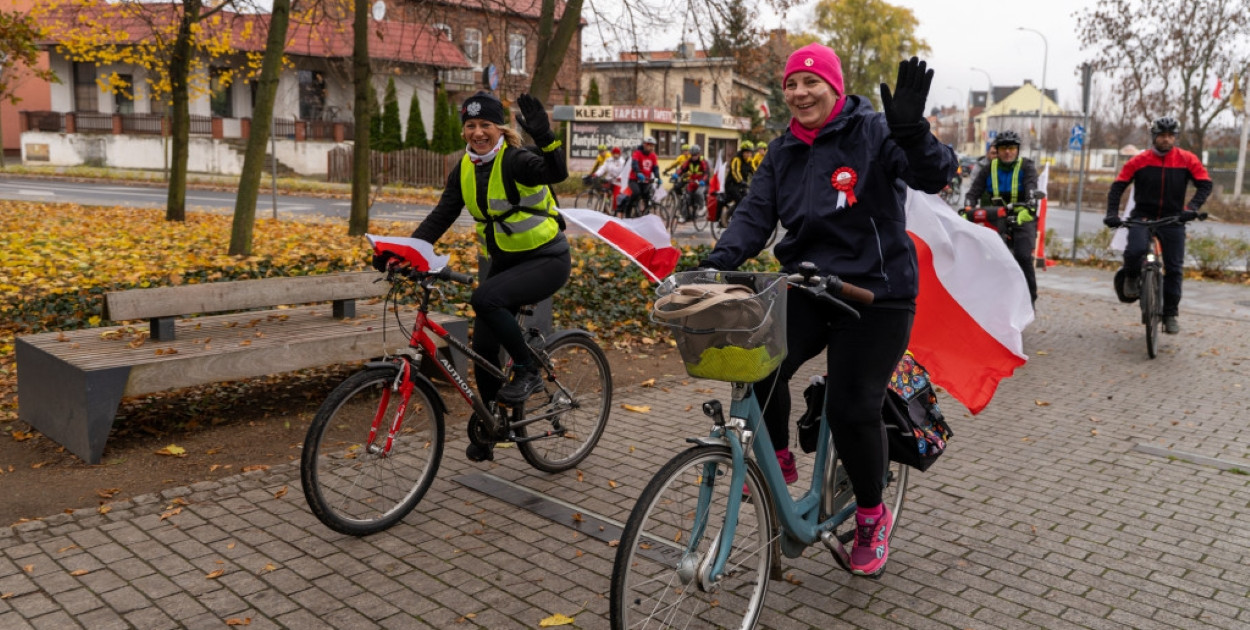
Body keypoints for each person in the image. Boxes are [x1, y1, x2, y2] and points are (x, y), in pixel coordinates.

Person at [698, 43, 956, 577]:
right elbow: (755, 214)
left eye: (811, 83)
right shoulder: (782, 150)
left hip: (877, 295)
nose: (799, 93)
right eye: (791, 84)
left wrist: (912, 133)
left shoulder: (872, 132)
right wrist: (717, 261)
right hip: (810, 284)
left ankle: (869, 514)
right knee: (757, 362)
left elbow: (933, 175)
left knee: (851, 405)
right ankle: (779, 460)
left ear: (835, 88)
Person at [373, 91, 569, 463]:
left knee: (484, 299)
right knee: (483, 350)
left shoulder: (517, 160)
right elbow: (441, 215)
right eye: (471, 125)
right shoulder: (463, 168)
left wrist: (546, 137)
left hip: (547, 259)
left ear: (500, 129)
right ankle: (496, 423)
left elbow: (556, 173)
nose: (477, 132)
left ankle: (527, 370)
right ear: (464, 130)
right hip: (507, 263)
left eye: (485, 125)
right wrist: (404, 253)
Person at [1103, 116, 1212, 334]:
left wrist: (1190, 208)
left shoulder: (1187, 159)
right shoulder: (1139, 160)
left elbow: (1205, 184)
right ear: (1154, 137)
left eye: (1170, 135)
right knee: (1134, 251)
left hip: (1173, 219)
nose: (1166, 139)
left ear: (1175, 137)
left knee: (1174, 268)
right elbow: (1118, 187)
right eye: (1162, 135)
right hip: (1143, 216)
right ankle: (1132, 276)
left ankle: (1170, 314)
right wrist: (1112, 214)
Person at [962, 130, 1040, 305]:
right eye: (1004, 148)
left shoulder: (1026, 166)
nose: (1007, 152)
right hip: (996, 217)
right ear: (997, 150)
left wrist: (1030, 204)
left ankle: (1029, 300)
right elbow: (973, 192)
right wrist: (968, 206)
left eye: (1012, 148)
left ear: (1017, 149)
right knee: (987, 256)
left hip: (1022, 215)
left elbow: (1031, 188)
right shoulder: (989, 168)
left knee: (1023, 256)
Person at [619, 136, 660, 218]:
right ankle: (628, 212)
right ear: (644, 145)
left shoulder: (653, 156)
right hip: (634, 179)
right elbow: (634, 164)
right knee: (636, 193)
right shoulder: (637, 153)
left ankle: (645, 215)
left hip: (646, 180)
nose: (651, 147)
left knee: (648, 196)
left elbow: (655, 168)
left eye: (652, 146)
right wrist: (638, 172)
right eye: (649, 145)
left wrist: (658, 177)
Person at [675, 144, 710, 221]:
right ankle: (684, 216)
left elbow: (706, 173)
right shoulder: (689, 161)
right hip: (692, 183)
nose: (694, 157)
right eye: (692, 155)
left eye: (695, 155)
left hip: (701, 183)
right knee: (685, 197)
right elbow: (682, 169)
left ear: (699, 154)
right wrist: (676, 174)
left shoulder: (703, 161)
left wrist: (703, 180)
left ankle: (702, 207)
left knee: (698, 193)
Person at [594, 146, 629, 212]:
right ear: (612, 153)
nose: (615, 155)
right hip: (609, 179)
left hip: (617, 181)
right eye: (614, 153)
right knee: (605, 194)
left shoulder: (622, 161)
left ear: (619, 154)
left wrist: (620, 177)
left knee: (616, 197)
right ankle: (605, 207)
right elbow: (603, 168)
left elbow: (624, 171)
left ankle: (615, 211)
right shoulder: (609, 160)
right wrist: (597, 174)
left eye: (617, 153)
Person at [724, 140, 756, 207]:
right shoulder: (737, 159)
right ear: (742, 152)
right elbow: (735, 172)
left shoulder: (750, 161)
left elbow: (755, 171)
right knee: (740, 201)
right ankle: (729, 215)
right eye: (747, 152)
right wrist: (741, 181)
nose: (749, 155)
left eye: (750, 153)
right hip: (732, 184)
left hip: (742, 185)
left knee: (748, 199)